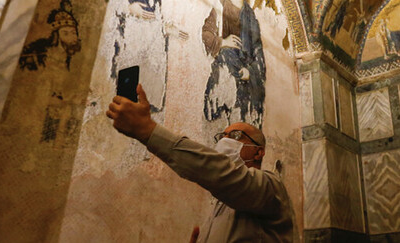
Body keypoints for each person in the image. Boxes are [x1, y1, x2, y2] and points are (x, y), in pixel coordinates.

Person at [106, 84, 294, 242]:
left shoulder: (271, 188)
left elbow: (222, 173)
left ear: (258, 152)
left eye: (236, 136)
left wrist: (147, 130)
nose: (225, 140)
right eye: (223, 136)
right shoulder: (220, 203)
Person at [202, 0, 265, 128]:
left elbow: (258, 49)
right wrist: (222, 42)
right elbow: (207, 33)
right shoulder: (221, 4)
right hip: (224, 67)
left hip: (244, 72)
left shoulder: (250, 16)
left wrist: (251, 71)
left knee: (242, 125)